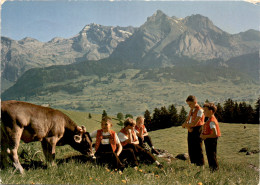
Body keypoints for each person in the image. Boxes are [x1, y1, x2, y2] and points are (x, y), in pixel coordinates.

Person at [182, 95, 205, 166]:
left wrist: (186, 125)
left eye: (190, 104)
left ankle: (201, 164)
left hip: (198, 129)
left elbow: (195, 123)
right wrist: (188, 126)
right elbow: (187, 120)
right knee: (191, 147)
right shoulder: (192, 110)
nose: (189, 106)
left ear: (195, 102)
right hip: (191, 129)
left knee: (198, 147)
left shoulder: (200, 110)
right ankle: (193, 163)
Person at [200, 103, 221, 172]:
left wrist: (205, 136)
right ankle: (213, 170)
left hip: (211, 140)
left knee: (211, 156)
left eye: (205, 110)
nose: (204, 112)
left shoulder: (212, 121)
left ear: (211, 111)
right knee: (210, 155)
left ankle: (214, 170)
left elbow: (215, 134)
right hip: (209, 140)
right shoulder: (210, 120)